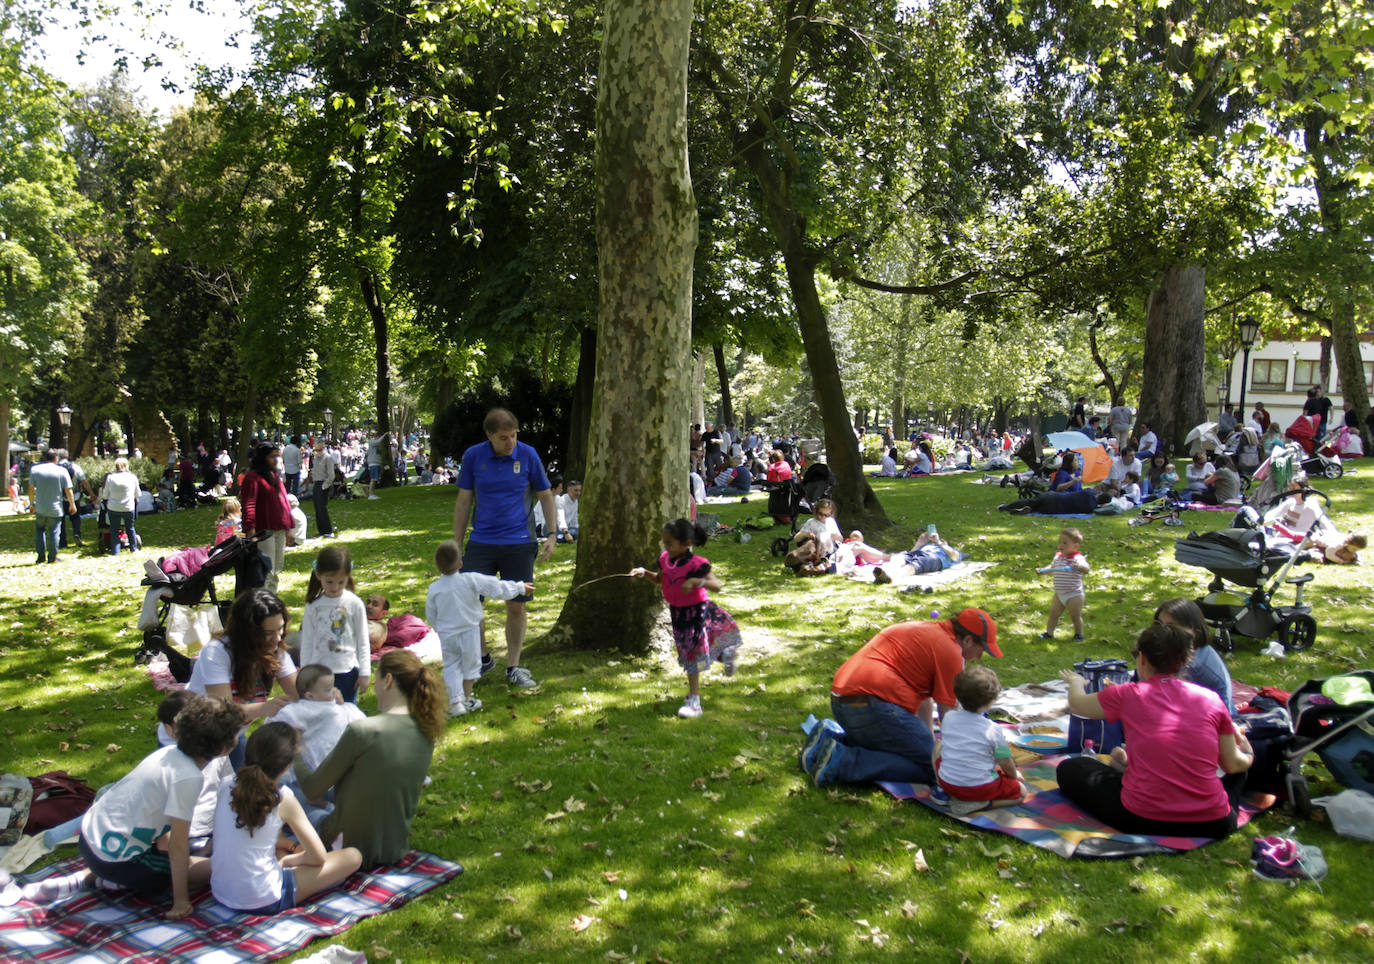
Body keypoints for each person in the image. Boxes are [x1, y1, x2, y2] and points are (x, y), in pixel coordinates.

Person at [1056, 622, 1253, 838]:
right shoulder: (1211, 699)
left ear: (1142, 659)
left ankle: (1133, 778)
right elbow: (1233, 764)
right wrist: (1249, 753)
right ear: (1183, 661)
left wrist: (1076, 681)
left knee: (1071, 768)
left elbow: (1078, 704)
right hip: (1214, 822)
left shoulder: (1128, 694)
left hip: (1140, 817)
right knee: (1239, 773)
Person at [78, 696, 246, 919]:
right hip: (114, 859)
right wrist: (181, 901)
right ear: (224, 747)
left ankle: (99, 876)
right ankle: (113, 881)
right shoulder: (188, 777)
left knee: (197, 859)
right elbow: (178, 846)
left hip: (90, 839)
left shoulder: (167, 754)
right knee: (221, 867)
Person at [800, 609, 1001, 787]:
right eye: (981, 650)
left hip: (843, 701)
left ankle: (829, 739)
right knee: (940, 770)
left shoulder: (926, 630)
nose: (979, 657)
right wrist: (958, 755)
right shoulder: (952, 652)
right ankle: (842, 762)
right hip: (871, 706)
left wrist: (927, 741)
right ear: (967, 640)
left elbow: (925, 699)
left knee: (923, 753)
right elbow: (948, 715)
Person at [294, 649, 444, 869]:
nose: (374, 687)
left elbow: (311, 789)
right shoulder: (426, 731)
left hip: (348, 848)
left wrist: (295, 753)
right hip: (394, 848)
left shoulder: (363, 730)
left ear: (389, 680)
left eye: (376, 680)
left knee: (291, 792)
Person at [452, 408, 560, 689]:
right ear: (489, 436)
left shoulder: (528, 454)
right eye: (503, 438)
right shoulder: (474, 456)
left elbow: (545, 495)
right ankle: (484, 657)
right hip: (481, 542)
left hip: (519, 543)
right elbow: (464, 502)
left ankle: (514, 666)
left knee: (516, 606)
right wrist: (456, 543)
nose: (510, 442)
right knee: (469, 604)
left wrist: (551, 533)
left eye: (513, 436)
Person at [210, 723, 363, 915]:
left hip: (221, 891)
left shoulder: (226, 785)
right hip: (264, 897)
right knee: (352, 857)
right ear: (286, 767)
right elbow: (318, 857)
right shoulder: (283, 798)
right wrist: (290, 860)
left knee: (280, 843)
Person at [629, 518, 743, 718]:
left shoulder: (697, 564)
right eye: (664, 542)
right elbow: (659, 579)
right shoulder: (665, 559)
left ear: (686, 544)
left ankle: (694, 702)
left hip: (696, 613)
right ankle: (725, 655)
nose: (666, 547)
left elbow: (716, 585)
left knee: (692, 654)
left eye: (670, 543)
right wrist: (643, 572)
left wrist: (696, 582)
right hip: (678, 614)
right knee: (694, 651)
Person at [186, 589, 300, 771]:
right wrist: (264, 708)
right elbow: (223, 712)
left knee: (245, 789)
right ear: (247, 632)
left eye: (280, 629)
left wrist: (325, 694)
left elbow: (299, 693)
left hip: (232, 737)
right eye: (268, 632)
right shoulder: (217, 653)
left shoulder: (276, 652)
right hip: (195, 738)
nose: (277, 639)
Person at [427, 539, 533, 717]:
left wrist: (438, 628)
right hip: (470, 632)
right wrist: (520, 587)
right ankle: (466, 699)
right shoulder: (470, 580)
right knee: (471, 667)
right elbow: (496, 587)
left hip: (448, 635)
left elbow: (431, 613)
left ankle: (455, 702)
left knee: (452, 666)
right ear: (461, 563)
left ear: (437, 566)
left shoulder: (434, 588)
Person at [934, 665, 1026, 814]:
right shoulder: (992, 730)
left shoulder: (949, 718)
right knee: (1021, 792)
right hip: (979, 787)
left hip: (948, 782)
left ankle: (942, 792)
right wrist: (1014, 777)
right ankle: (981, 804)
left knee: (938, 747)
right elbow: (1006, 762)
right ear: (990, 702)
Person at [298, 545, 370, 703]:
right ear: (318, 575)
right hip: (319, 673)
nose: (335, 588)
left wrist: (364, 672)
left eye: (341, 582)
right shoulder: (313, 606)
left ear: (348, 576)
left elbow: (362, 640)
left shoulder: (354, 603)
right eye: (329, 582)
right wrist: (304, 672)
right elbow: (307, 641)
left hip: (347, 671)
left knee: (346, 714)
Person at [1155, 598, 1234, 715]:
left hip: (1214, 724)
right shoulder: (1182, 650)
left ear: (1190, 629)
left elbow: (1154, 697)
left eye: (1170, 626)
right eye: (1159, 624)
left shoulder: (1190, 664)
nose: (1162, 631)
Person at [239, 442, 292, 594]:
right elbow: (249, 504)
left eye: (277, 456)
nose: (276, 459)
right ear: (263, 458)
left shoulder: (275, 477)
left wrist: (289, 528)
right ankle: (261, 604)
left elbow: (284, 503)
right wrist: (250, 530)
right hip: (263, 531)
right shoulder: (253, 478)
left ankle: (271, 600)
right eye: (272, 456)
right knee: (266, 571)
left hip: (279, 529)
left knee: (276, 571)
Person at [1039, 528, 1088, 641]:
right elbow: (1052, 568)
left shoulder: (1078, 559)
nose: (1061, 545)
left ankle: (1079, 634)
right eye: (1060, 541)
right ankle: (1049, 633)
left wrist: (1080, 567)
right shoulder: (1058, 557)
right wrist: (1043, 570)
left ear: (1075, 546)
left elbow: (1086, 569)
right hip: (1059, 593)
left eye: (1065, 542)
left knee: (1075, 616)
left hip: (1074, 594)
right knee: (1053, 613)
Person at [28, 448, 76, 564]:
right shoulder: (62, 471)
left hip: (40, 506)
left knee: (40, 530)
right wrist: (72, 504)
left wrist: (31, 504)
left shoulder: (35, 470)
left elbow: (30, 489)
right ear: (56, 458)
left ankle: (40, 556)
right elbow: (68, 490)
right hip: (56, 507)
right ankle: (52, 556)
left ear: (45, 458)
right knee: (54, 531)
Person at [871, 528, 962, 584]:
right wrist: (920, 542)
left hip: (933, 558)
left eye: (943, 541)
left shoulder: (950, 551)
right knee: (900, 558)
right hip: (918, 553)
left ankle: (891, 578)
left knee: (914, 565)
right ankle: (884, 573)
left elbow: (954, 556)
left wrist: (939, 542)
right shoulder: (928, 546)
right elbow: (911, 553)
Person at [100, 456, 142, 557]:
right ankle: (133, 548)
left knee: (114, 529)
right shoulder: (132, 477)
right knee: (130, 527)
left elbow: (105, 495)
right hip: (128, 507)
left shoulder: (110, 478)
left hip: (113, 507)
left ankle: (115, 551)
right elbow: (138, 494)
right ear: (126, 466)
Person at [998, 488, 1106, 515]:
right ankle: (1029, 510)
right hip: (1054, 510)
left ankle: (1007, 507)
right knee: (1036, 508)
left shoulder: (1089, 492)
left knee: (1030, 501)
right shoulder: (1091, 508)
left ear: (1100, 494)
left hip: (1054, 497)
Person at [309, 440, 337, 538]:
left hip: (323, 484)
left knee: (322, 508)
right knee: (317, 508)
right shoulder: (316, 457)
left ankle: (328, 530)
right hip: (316, 483)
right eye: (316, 450)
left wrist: (324, 486)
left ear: (324, 448)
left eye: (319, 449)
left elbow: (331, 475)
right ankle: (321, 530)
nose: (318, 451)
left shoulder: (328, 458)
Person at [364, 432, 385, 500]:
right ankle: (370, 494)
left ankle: (372, 494)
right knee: (373, 479)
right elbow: (378, 441)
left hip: (377, 463)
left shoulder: (378, 445)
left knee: (375, 479)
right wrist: (384, 435)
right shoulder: (372, 442)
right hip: (373, 463)